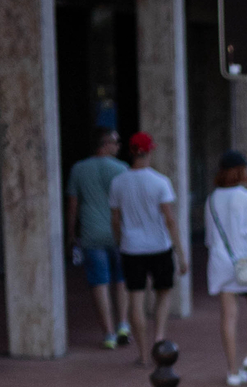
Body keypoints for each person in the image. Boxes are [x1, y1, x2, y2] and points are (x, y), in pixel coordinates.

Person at [108, 132, 185, 368]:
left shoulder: (118, 182)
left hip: (132, 247)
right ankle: (159, 338)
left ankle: (142, 355)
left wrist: (122, 241)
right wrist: (180, 253)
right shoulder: (160, 181)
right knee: (163, 293)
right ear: (149, 151)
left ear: (131, 152)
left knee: (136, 300)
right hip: (159, 246)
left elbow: (115, 219)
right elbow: (170, 219)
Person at [205, 148, 247, 387]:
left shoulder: (211, 199)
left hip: (220, 263)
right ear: (240, 171)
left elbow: (210, 238)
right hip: (245, 265)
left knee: (228, 317)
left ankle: (233, 372)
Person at [65, 128, 128, 350]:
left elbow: (73, 206)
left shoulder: (78, 169)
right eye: (116, 142)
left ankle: (108, 334)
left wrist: (71, 234)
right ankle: (123, 324)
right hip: (118, 233)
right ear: (105, 144)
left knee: (99, 283)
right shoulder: (122, 170)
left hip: (91, 234)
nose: (119, 146)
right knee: (122, 279)